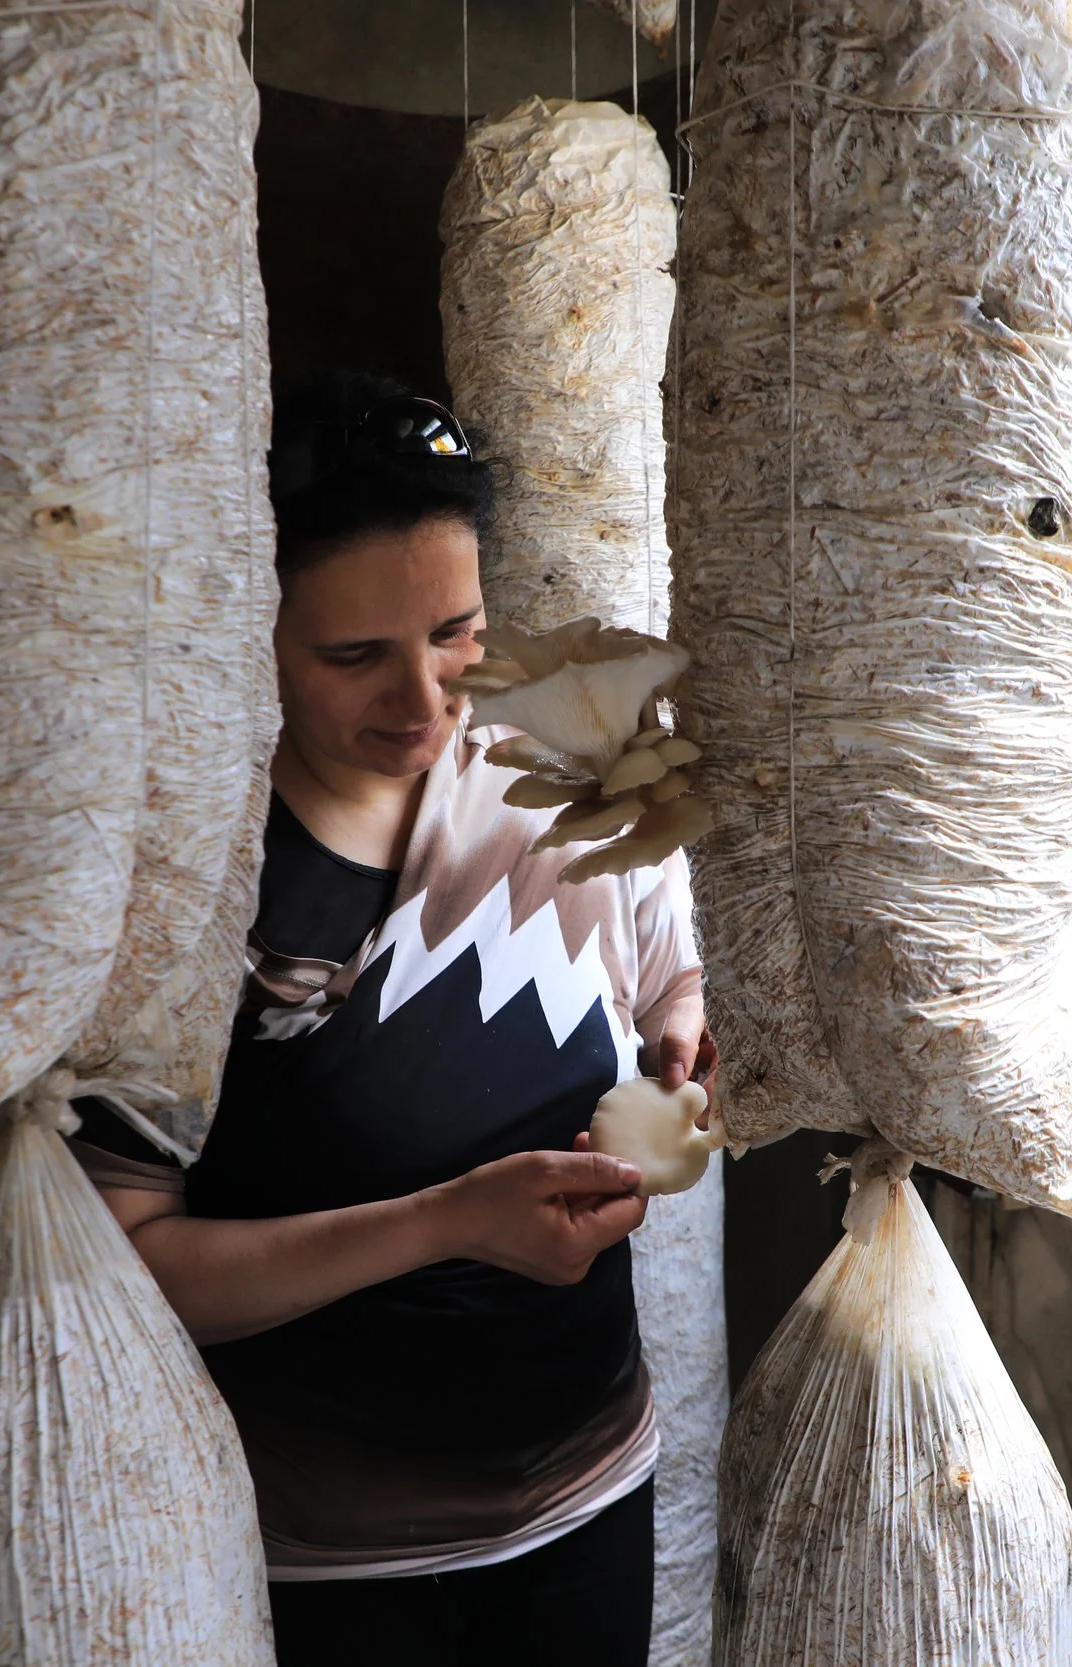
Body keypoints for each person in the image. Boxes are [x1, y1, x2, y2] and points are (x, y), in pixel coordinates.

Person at [72, 372, 712, 1667]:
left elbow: (666, 977)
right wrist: (448, 1224)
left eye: (456, 635)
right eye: (355, 655)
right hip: (335, 1560)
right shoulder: (194, 883)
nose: (423, 701)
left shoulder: (564, 764)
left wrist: (685, 1033)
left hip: (588, 1496)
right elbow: (130, 1261)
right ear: (254, 628)